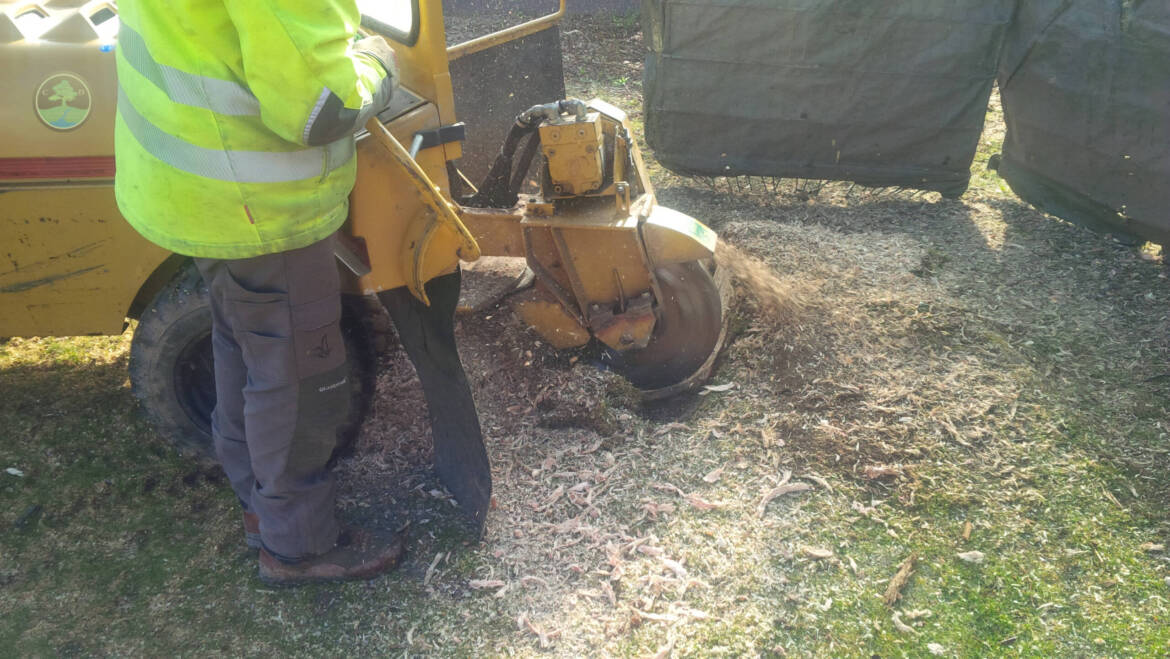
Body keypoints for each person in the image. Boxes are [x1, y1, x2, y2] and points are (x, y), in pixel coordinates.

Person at [113, 0, 403, 585]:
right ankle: (300, 545)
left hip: (200, 186)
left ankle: (260, 506)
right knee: (300, 378)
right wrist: (378, 62)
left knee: (245, 347)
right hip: (261, 207)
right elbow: (323, 105)